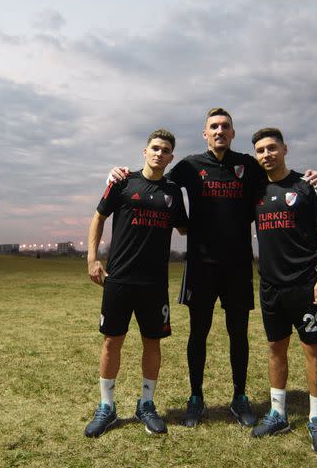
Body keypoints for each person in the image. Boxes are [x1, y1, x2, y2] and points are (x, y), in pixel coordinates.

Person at [108, 108, 317, 428]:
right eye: (214, 127)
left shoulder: (248, 166)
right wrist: (118, 176)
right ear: (205, 134)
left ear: (233, 133)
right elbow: (154, 175)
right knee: (199, 333)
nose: (220, 131)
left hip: (237, 265)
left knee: (238, 334)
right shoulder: (190, 166)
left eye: (225, 126)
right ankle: (196, 397)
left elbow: (279, 175)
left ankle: (239, 398)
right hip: (201, 265)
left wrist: (311, 180)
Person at [85, 128, 188, 438]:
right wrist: (92, 259)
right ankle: (107, 407)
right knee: (111, 341)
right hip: (119, 279)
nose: (159, 153)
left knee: (152, 343)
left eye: (165, 149)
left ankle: (146, 404)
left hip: (154, 284)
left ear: (171, 157)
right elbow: (98, 218)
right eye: (154, 147)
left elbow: (187, 229)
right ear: (145, 151)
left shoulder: (173, 193)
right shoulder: (122, 181)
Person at [249, 127, 317, 453]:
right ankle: (278, 414)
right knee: (275, 349)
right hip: (270, 287)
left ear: (285, 148)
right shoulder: (254, 190)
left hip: (305, 284)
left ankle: (316, 418)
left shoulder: (309, 185)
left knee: (313, 350)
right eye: (260, 150)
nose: (266, 154)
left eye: (271, 147)